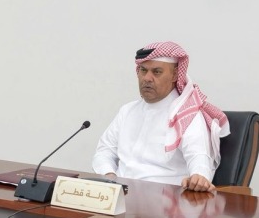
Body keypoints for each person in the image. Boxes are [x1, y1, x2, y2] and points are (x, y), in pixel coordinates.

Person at [91, 41, 229, 192]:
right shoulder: (127, 111)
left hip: (163, 200)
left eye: (156, 72)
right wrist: (110, 177)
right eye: (143, 70)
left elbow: (199, 156)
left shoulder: (187, 114)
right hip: (120, 194)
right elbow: (104, 151)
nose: (147, 78)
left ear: (175, 75)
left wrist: (199, 177)